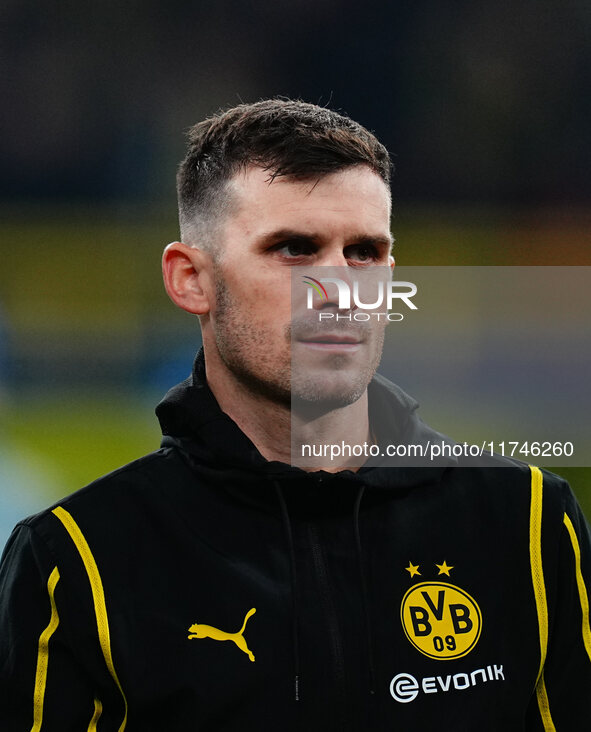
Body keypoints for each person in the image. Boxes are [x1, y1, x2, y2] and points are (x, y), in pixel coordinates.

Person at [0, 99, 590, 731]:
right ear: (191, 279)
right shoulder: (76, 562)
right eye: (294, 248)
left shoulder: (525, 521)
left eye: (364, 252)